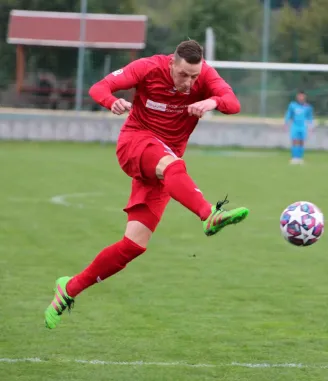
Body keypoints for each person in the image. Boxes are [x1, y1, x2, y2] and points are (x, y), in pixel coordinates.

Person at [44, 40, 250, 329]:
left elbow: (234, 103)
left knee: (133, 245)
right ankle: (208, 214)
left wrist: (211, 101)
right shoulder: (148, 68)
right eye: (183, 76)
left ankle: (68, 289)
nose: (189, 83)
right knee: (174, 165)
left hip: (163, 166)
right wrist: (111, 101)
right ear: (171, 64)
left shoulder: (205, 76)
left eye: (194, 77)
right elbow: (98, 88)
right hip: (136, 143)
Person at [284, 90, 314, 164]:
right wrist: (286, 122)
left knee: (301, 141)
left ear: (304, 97)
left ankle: (300, 158)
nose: (301, 97)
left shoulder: (308, 107)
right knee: (295, 141)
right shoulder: (292, 105)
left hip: (303, 126)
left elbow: (309, 117)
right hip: (295, 125)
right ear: (297, 97)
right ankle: (294, 157)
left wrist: (311, 126)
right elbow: (289, 114)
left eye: (302, 96)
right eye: (299, 96)